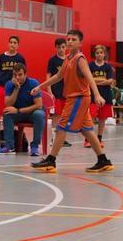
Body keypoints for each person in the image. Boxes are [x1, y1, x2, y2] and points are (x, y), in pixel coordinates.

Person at [31, 29, 113, 173]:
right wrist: (39, 87)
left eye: (73, 39)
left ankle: (51, 160)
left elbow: (89, 78)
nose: (69, 41)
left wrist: (98, 95)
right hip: (74, 98)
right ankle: (103, 160)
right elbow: (58, 76)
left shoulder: (80, 59)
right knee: (87, 130)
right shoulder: (68, 58)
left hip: (79, 99)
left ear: (80, 43)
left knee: (61, 127)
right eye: (68, 39)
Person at [0, 63, 44, 156]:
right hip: (17, 114)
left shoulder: (33, 83)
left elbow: (38, 105)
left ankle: (35, 146)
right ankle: (9, 146)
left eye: (20, 74)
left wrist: (19, 110)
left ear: (25, 74)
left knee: (39, 114)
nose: (17, 77)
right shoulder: (9, 84)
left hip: (31, 113)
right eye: (15, 75)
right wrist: (16, 89)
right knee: (7, 113)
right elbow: (8, 104)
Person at [46, 37, 71, 148]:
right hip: (56, 92)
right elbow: (48, 76)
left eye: (63, 47)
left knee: (65, 116)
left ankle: (62, 138)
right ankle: (53, 138)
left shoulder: (69, 59)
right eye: (59, 47)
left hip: (67, 92)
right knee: (56, 115)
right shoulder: (53, 60)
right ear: (55, 48)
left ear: (66, 47)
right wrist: (49, 91)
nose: (61, 49)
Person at [89, 45, 115, 146]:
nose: (99, 54)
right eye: (97, 53)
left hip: (106, 95)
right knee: (90, 117)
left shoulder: (108, 67)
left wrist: (94, 82)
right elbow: (88, 79)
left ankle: (99, 139)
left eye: (101, 53)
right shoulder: (90, 66)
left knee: (102, 118)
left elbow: (110, 81)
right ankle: (88, 139)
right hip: (92, 96)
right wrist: (102, 81)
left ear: (104, 54)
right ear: (94, 54)